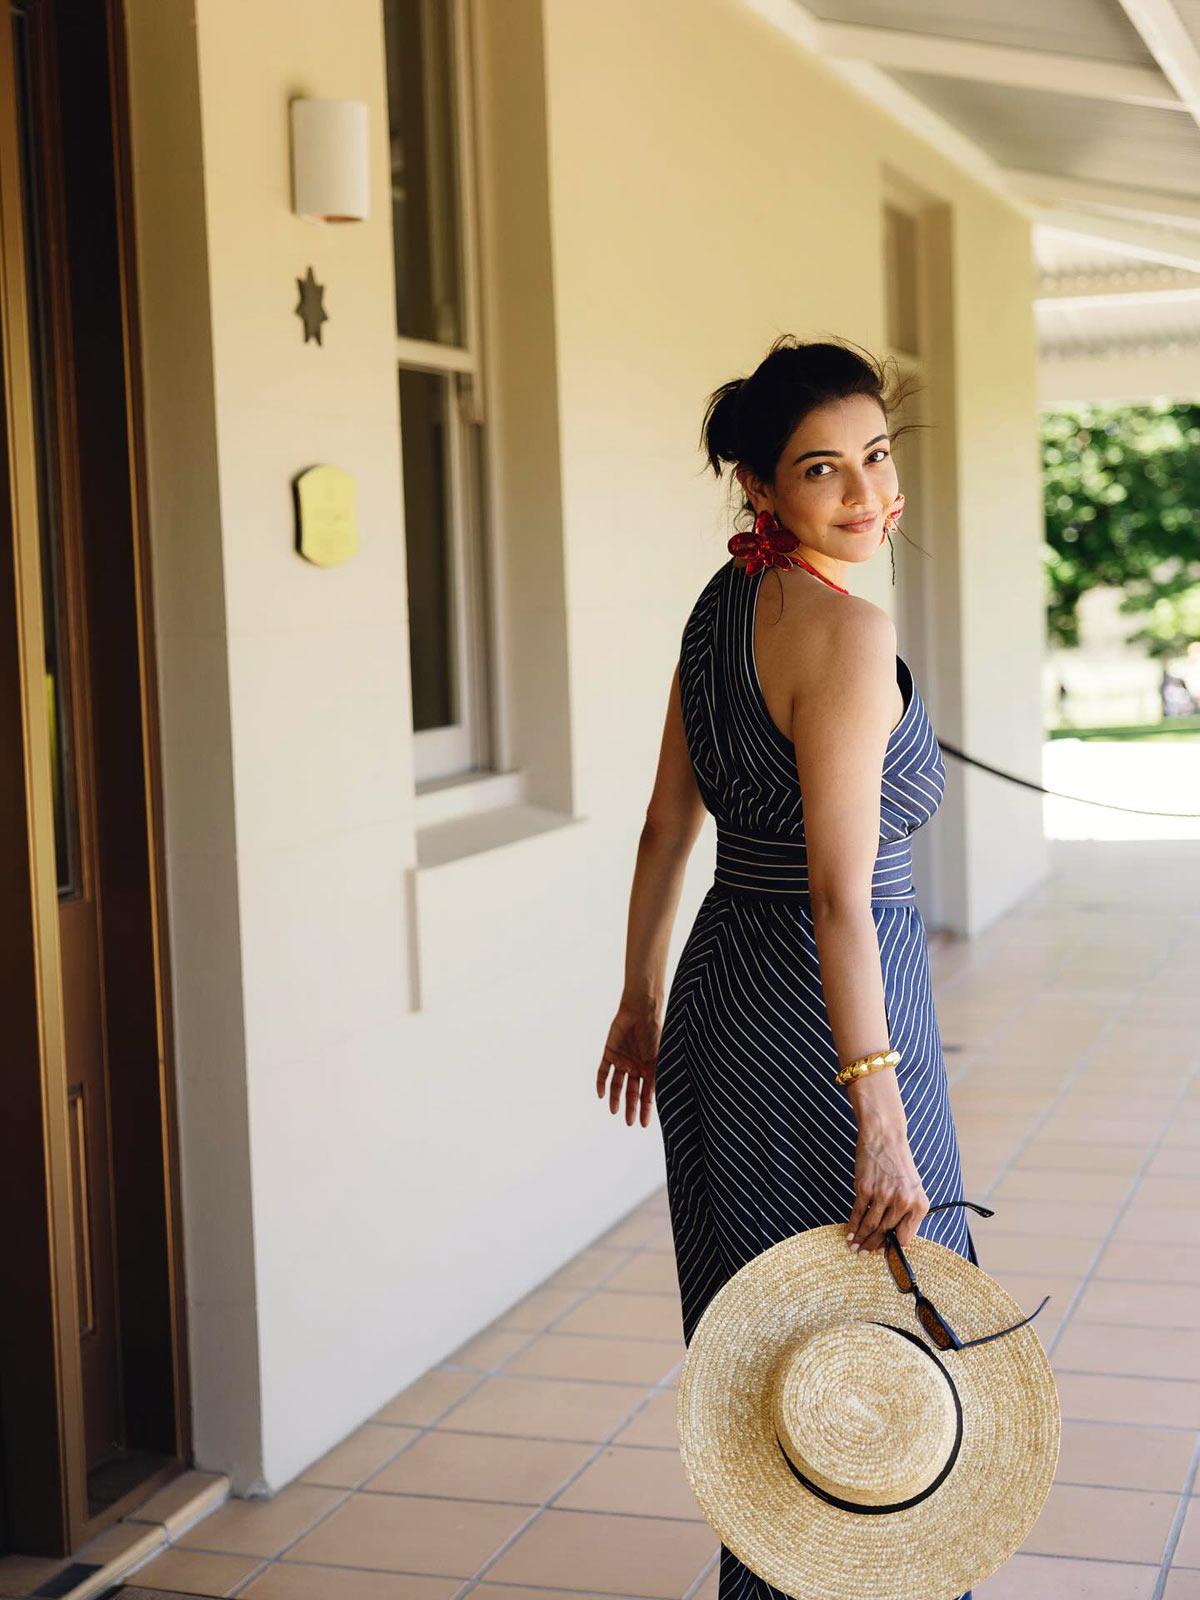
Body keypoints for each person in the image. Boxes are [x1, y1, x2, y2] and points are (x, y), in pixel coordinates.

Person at [596, 335, 977, 1600]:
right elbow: (837, 896)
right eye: (824, 469)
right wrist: (881, 1113)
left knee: (762, 1357)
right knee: (881, 1350)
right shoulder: (849, 635)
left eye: (877, 455)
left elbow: (665, 828)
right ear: (761, 486)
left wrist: (642, 999)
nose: (868, 491)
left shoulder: (719, 610)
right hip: (832, 1024)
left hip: (718, 1006)